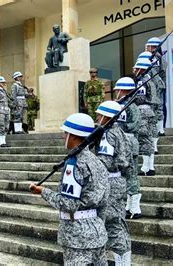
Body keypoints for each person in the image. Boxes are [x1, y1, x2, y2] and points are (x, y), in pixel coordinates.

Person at [30, 113, 109, 265]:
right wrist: (98, 225)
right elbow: (104, 200)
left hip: (77, 236)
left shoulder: (74, 164)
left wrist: (43, 191)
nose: (63, 136)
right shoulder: (97, 161)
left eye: (66, 133)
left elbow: (68, 204)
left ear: (73, 136)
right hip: (97, 230)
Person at [95, 101, 132, 264]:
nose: (96, 118)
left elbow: (105, 161)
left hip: (110, 182)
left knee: (113, 226)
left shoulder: (108, 134)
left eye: (98, 115)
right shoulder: (120, 132)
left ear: (106, 116)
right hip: (119, 180)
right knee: (118, 223)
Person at [114, 77, 143, 219]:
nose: (116, 93)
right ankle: (128, 205)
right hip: (121, 143)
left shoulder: (132, 106)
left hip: (129, 142)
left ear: (124, 91)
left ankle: (135, 207)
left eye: (118, 90)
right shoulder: (121, 105)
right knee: (125, 175)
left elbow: (135, 125)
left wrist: (120, 129)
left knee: (131, 175)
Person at [134, 58, 158, 176]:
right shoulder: (151, 80)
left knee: (144, 139)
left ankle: (145, 168)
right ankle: (150, 167)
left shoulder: (141, 81)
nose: (134, 70)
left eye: (136, 68)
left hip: (143, 111)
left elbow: (139, 98)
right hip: (151, 112)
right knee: (149, 138)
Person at [138, 51, 165, 154]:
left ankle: (153, 147)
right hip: (151, 104)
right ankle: (153, 148)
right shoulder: (146, 76)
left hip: (151, 104)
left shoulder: (149, 76)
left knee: (150, 128)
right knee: (150, 128)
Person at [145, 37, 167, 135]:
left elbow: (162, 71)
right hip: (154, 85)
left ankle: (159, 129)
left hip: (154, 85)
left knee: (156, 107)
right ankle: (159, 129)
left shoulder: (156, 57)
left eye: (149, 46)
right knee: (158, 107)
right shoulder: (157, 57)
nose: (147, 48)